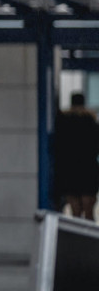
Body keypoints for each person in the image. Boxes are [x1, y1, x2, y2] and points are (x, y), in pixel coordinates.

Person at [54, 92, 99, 221]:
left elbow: (58, 147)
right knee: (89, 212)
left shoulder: (63, 121)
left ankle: (76, 240)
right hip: (88, 169)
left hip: (69, 171)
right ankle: (90, 240)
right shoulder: (91, 122)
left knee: (75, 213)